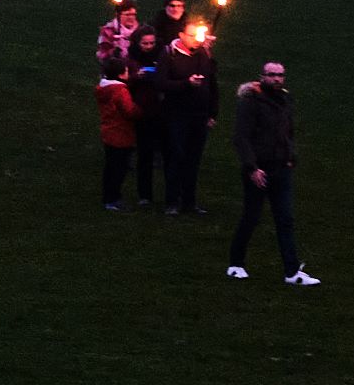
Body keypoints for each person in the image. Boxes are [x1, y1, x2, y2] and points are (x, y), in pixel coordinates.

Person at [227, 61, 317, 285]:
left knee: (285, 219)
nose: (277, 79)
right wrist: (251, 167)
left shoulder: (284, 100)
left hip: (281, 168)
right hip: (259, 169)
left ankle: (292, 271)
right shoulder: (251, 102)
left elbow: (288, 131)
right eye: (272, 75)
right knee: (251, 217)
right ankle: (236, 264)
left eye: (280, 75)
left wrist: (290, 157)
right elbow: (242, 137)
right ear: (263, 76)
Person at [158, 14, 217, 216]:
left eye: (198, 35)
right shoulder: (169, 54)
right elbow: (161, 84)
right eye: (191, 35)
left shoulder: (203, 54)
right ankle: (172, 201)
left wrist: (212, 113)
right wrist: (186, 84)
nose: (196, 39)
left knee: (194, 160)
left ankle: (190, 201)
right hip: (177, 116)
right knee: (177, 157)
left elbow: (211, 83)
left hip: (199, 116)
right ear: (181, 35)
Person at [127, 28, 166, 208]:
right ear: (137, 43)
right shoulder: (130, 58)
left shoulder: (163, 55)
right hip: (143, 111)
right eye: (145, 43)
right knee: (145, 155)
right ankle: (145, 195)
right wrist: (136, 76)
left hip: (163, 110)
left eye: (152, 43)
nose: (149, 47)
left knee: (169, 153)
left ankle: (172, 195)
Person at [97, 55, 138, 209]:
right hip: (121, 134)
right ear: (121, 74)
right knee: (119, 168)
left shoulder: (104, 89)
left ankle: (108, 197)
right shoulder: (120, 91)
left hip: (109, 133)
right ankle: (113, 199)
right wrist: (141, 110)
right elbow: (129, 111)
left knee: (110, 167)